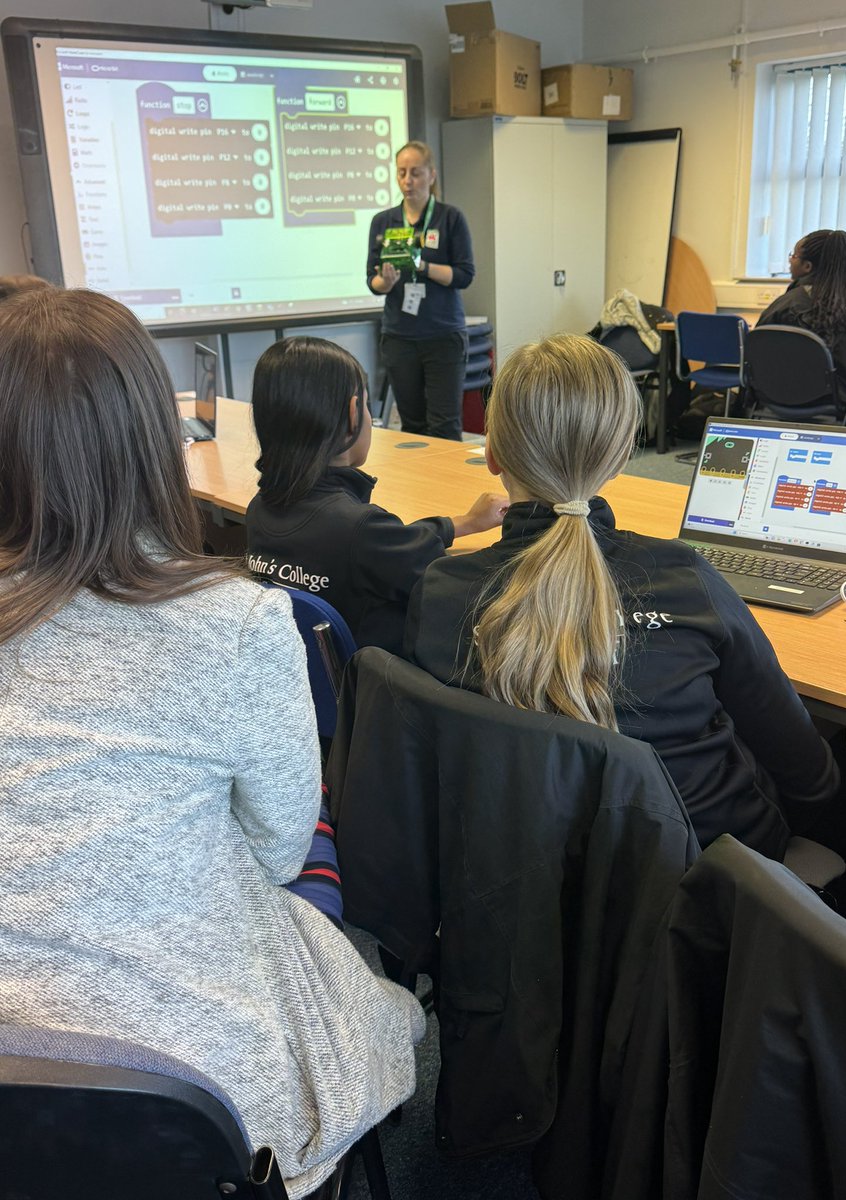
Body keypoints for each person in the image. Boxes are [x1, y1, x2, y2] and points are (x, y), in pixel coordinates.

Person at [0, 287, 424, 1198]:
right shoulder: (233, 626)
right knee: (354, 1010)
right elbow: (279, 850)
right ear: (151, 446)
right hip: (188, 1102)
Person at [404, 333, 839, 861]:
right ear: (619, 458)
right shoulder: (685, 579)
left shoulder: (439, 593)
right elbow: (809, 773)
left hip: (522, 890)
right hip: (709, 892)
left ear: (492, 453)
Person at [246, 335, 507, 654]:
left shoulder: (259, 510)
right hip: (375, 688)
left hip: (311, 682)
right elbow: (460, 590)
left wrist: (460, 524)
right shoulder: (360, 530)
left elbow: (389, 545)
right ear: (354, 414)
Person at [367, 140, 473, 440]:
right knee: (412, 427)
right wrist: (385, 282)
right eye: (401, 173)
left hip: (443, 335)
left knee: (444, 425)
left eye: (415, 172)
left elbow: (465, 275)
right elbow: (371, 280)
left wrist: (422, 265)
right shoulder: (383, 221)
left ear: (431, 175)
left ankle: (450, 488)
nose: (407, 180)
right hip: (400, 336)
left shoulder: (450, 218)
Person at [757, 228, 846, 425]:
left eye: (794, 256)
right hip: (835, 397)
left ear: (807, 267)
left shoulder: (782, 306)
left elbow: (758, 349)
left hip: (776, 393)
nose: (790, 260)